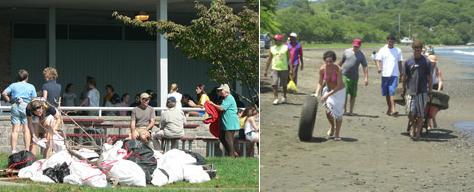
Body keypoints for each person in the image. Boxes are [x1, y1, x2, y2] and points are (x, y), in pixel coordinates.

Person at [402, 40, 432, 140]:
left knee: (420, 114)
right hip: (410, 90)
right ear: (413, 49)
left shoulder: (426, 61)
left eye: (419, 49)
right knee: (409, 112)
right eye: (415, 49)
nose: (417, 51)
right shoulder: (408, 61)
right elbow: (404, 77)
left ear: (421, 49)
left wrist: (430, 91)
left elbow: (429, 77)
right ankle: (414, 125)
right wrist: (403, 89)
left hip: (422, 91)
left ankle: (418, 134)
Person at [2, 69, 37, 153]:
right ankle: (27, 150)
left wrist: (9, 100)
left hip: (15, 106)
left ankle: (13, 150)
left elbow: (4, 93)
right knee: (26, 128)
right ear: (27, 77)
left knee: (15, 129)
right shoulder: (31, 86)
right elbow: (34, 99)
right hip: (26, 106)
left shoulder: (13, 85)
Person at [314, 51, 346, 141]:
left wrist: (327, 95)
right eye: (327, 61)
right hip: (328, 90)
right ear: (324, 61)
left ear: (334, 61)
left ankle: (337, 134)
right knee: (328, 112)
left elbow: (339, 86)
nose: (329, 63)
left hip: (339, 92)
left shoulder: (338, 69)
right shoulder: (322, 69)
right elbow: (320, 82)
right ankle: (332, 126)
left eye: (331, 61)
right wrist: (317, 92)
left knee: (339, 114)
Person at [338, 38, 368, 115]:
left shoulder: (361, 55)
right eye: (354, 46)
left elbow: (365, 66)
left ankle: (351, 111)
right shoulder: (346, 51)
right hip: (344, 75)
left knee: (353, 95)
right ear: (352, 44)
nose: (355, 48)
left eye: (357, 46)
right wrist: (335, 70)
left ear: (360, 46)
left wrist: (366, 78)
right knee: (344, 93)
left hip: (354, 77)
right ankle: (344, 110)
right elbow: (341, 62)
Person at [376, 34, 404, 116]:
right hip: (385, 74)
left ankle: (393, 109)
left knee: (392, 92)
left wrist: (401, 72)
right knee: (387, 93)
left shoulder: (398, 50)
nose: (391, 42)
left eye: (392, 41)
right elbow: (377, 59)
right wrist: (378, 68)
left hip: (394, 74)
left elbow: (400, 62)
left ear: (394, 42)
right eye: (389, 40)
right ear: (387, 41)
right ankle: (389, 108)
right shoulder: (382, 50)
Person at [209, 84, 240, 157]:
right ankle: (233, 153)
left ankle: (232, 156)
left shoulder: (229, 98)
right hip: (226, 123)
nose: (219, 92)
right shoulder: (225, 99)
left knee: (228, 139)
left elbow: (222, 108)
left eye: (221, 90)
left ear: (226, 91)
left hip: (230, 123)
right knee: (222, 137)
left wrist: (212, 104)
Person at [264, 34, 292, 105]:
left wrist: (291, 69)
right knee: (274, 83)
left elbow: (289, 59)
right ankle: (276, 98)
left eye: (277, 40)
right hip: (275, 69)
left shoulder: (286, 48)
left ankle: (284, 96)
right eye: (275, 40)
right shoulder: (272, 48)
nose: (275, 41)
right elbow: (269, 59)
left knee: (284, 84)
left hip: (284, 69)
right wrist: (266, 70)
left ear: (281, 40)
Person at [426, 55, 444, 130]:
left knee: (435, 105)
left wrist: (438, 91)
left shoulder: (437, 70)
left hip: (435, 86)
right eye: (431, 62)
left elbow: (440, 81)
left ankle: (433, 118)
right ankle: (429, 122)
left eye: (434, 62)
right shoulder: (425, 69)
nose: (432, 63)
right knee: (427, 105)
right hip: (426, 87)